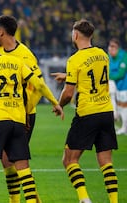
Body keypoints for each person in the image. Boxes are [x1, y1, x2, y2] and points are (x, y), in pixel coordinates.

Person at [0, 36, 64, 203]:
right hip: (19, 121)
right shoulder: (16, 62)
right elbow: (40, 85)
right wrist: (55, 103)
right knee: (24, 169)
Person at [57, 19, 118, 203]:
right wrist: (68, 76)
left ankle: (84, 199)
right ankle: (114, 201)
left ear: (75, 35)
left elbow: (68, 94)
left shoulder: (74, 59)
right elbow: (92, 73)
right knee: (106, 163)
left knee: (69, 160)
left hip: (87, 114)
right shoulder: (103, 55)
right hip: (106, 111)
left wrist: (59, 105)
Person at [0, 15, 46, 202]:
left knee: (16, 158)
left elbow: (38, 87)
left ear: (1, 32)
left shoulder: (25, 55)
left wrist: (25, 110)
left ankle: (23, 199)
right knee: (7, 159)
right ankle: (26, 199)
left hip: (23, 115)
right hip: (3, 114)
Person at [107, 38, 127, 135]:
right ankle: (122, 126)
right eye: (110, 46)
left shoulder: (124, 56)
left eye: (113, 47)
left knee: (124, 107)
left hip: (124, 85)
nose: (111, 49)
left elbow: (121, 74)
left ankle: (124, 127)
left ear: (118, 48)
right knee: (119, 107)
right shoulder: (109, 57)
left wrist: (109, 77)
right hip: (116, 86)